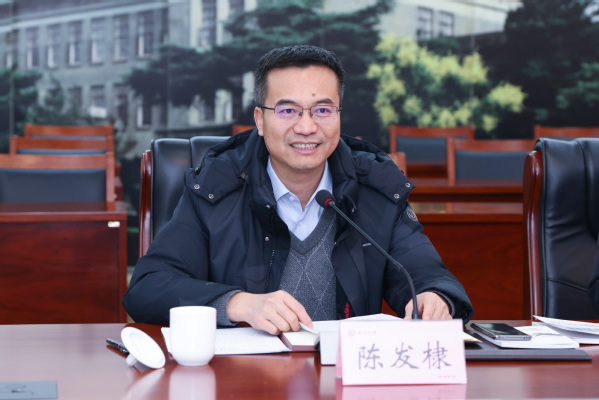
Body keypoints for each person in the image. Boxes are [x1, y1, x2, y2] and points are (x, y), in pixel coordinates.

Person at [122, 45, 473, 334]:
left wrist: (434, 296)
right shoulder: (215, 187)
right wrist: (237, 303)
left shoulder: (376, 186)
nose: (306, 127)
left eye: (322, 109)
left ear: (339, 116)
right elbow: (148, 288)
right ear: (260, 120)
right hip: (244, 380)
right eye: (288, 110)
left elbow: (426, 273)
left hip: (344, 377)